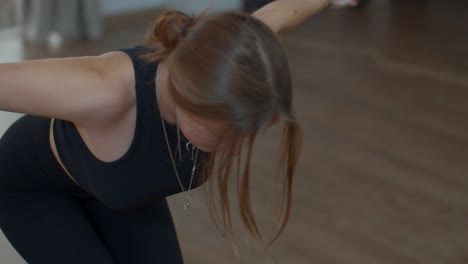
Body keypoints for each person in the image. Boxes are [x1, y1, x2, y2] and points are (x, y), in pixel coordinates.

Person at [0, 0, 354, 263]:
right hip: (31, 191)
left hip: (118, 190)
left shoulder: (236, 55)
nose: (233, 151)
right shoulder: (103, 89)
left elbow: (279, 13)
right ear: (188, 101)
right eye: (225, 135)